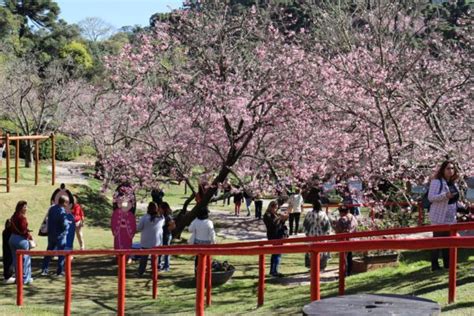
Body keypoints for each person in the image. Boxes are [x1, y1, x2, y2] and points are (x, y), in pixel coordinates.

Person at [428, 160, 464, 271]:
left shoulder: (453, 183)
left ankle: (448, 264)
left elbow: (454, 200)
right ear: (443, 170)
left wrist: (462, 206)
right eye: (448, 168)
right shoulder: (437, 182)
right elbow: (431, 197)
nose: (450, 170)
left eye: (452, 168)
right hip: (439, 216)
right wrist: (445, 195)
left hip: (451, 216)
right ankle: (434, 265)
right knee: (437, 241)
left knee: (449, 241)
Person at [42, 196, 70, 276]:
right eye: (67, 202)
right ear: (64, 202)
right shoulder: (62, 211)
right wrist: (68, 224)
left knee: (49, 252)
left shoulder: (52, 208)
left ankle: (44, 269)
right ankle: (60, 271)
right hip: (60, 235)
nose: (68, 204)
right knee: (61, 253)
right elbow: (64, 224)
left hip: (51, 234)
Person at [8, 201, 34, 285]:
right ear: (21, 208)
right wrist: (29, 236)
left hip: (12, 239)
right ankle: (26, 278)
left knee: (16, 260)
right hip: (21, 240)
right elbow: (23, 230)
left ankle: (18, 278)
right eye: (25, 207)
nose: (26, 209)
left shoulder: (13, 216)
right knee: (26, 259)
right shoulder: (22, 218)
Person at [137, 202, 165, 276]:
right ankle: (154, 272)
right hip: (156, 242)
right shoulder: (161, 218)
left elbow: (139, 228)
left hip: (145, 241)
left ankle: (141, 272)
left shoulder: (144, 218)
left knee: (143, 258)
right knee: (154, 259)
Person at [303, 200, 331, 269]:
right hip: (321, 235)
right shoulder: (323, 214)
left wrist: (307, 233)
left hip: (311, 234)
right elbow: (327, 226)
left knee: (311, 250)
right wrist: (327, 234)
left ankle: (312, 266)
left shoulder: (309, 214)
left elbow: (305, 224)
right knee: (321, 250)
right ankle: (321, 266)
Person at [263, 201, 289, 277]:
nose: (276, 209)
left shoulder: (276, 214)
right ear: (271, 207)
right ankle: (275, 271)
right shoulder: (267, 215)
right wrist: (280, 218)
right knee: (277, 253)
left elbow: (280, 223)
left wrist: (284, 219)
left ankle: (273, 270)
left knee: (276, 254)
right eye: (275, 208)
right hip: (273, 235)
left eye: (276, 208)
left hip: (279, 235)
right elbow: (272, 224)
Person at [334, 206, 358, 276]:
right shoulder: (353, 217)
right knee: (349, 256)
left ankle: (344, 272)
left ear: (342, 212)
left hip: (343, 240)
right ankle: (349, 271)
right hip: (351, 239)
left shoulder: (342, 219)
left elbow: (338, 230)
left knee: (344, 257)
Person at [159, 202, 176, 271]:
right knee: (160, 250)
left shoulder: (167, 217)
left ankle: (166, 266)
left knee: (166, 251)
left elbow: (173, 225)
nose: (159, 209)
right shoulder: (161, 216)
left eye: (160, 208)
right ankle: (160, 264)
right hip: (161, 235)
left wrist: (167, 229)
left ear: (163, 209)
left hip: (166, 235)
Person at [2, 219, 14, 283]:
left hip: (7, 250)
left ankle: (7, 276)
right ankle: (8, 276)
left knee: (8, 262)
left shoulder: (5, 231)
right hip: (8, 250)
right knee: (9, 262)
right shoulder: (8, 232)